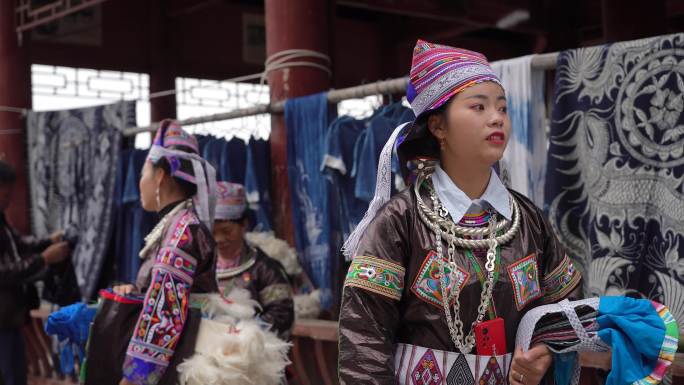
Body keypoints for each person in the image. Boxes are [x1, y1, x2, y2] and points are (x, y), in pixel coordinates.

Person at [338, 40, 583, 385]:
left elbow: (567, 306)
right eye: (478, 107)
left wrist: (543, 352)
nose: (496, 117)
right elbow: (363, 342)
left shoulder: (527, 220)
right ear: (438, 127)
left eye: (502, 108)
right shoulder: (400, 221)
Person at [112, 120, 218, 385]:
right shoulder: (175, 225)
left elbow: (165, 312)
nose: (140, 183)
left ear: (160, 175)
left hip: (180, 365)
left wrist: (136, 377)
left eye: (142, 174)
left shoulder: (183, 231)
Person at [0, 160, 70, 385]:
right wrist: (44, 258)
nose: (9, 199)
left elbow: (19, 243)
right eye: (5, 193)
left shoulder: (1, 219)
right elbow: (4, 272)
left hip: (9, 318)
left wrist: (47, 241)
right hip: (2, 322)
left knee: (17, 374)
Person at [213, 181, 294, 337]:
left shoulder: (265, 269)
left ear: (244, 224)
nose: (219, 239)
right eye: (213, 232)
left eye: (226, 231)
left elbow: (281, 312)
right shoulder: (201, 267)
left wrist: (245, 333)